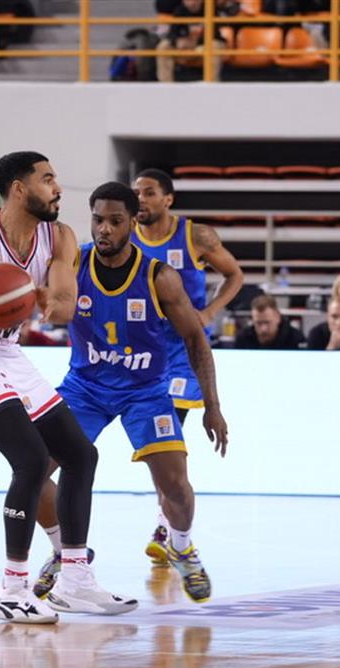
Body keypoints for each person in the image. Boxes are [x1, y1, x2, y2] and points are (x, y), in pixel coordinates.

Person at [0, 151, 132, 624]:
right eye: (48, 179)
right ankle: (11, 588)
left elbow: (63, 309)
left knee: (81, 455)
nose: (58, 188)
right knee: (29, 459)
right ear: (20, 189)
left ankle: (74, 579)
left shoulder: (60, 236)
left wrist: (29, 297)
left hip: (9, 352)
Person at [37, 182, 228, 604]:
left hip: (145, 391)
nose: (104, 229)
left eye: (115, 221)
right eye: (98, 220)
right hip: (84, 388)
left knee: (176, 486)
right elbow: (19, 288)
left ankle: (181, 546)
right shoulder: (72, 263)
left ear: (132, 222)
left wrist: (212, 406)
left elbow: (196, 340)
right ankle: (66, 552)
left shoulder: (159, 276)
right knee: (32, 472)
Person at [131, 168, 243, 568]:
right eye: (136, 192)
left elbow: (234, 274)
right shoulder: (125, 235)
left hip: (182, 351)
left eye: (148, 192)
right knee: (156, 442)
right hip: (144, 351)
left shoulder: (196, 236)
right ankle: (169, 522)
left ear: (168, 199)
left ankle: (166, 527)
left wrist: (210, 311)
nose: (140, 199)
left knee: (168, 432)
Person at [233, 293, 305, 349]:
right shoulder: (243, 338)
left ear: (278, 317)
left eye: (267, 322)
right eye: (258, 323)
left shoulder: (295, 338)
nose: (263, 329)